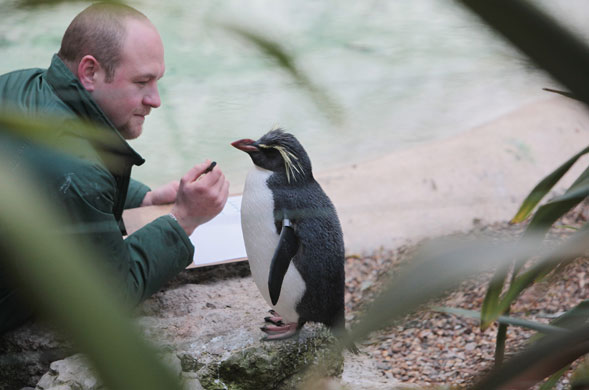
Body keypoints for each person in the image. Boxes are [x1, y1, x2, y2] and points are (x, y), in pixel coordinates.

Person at [0, 2, 230, 333]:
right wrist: (184, 220)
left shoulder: (20, 84)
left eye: (157, 81)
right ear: (90, 72)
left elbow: (61, 191)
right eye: (142, 82)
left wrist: (145, 199)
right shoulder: (79, 171)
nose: (155, 100)